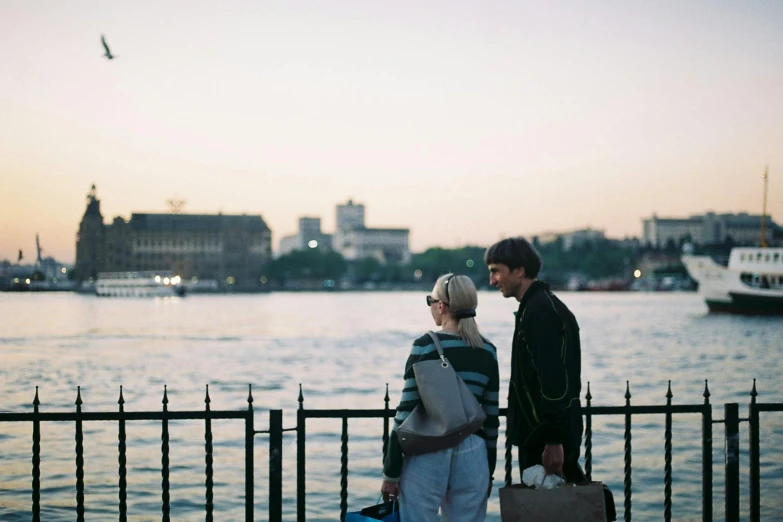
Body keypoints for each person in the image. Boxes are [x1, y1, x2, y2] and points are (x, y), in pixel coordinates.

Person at [381, 274, 500, 522]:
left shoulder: (425, 346)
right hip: (473, 451)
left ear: (441, 306)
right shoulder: (488, 351)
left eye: (430, 300)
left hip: (428, 450)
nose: (430, 307)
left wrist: (391, 471)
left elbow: (404, 414)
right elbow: (490, 418)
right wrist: (488, 472)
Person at [484, 237, 586, 483]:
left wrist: (553, 440)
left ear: (519, 271)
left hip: (544, 439)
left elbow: (553, 379)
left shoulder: (540, 312)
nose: (492, 281)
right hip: (543, 435)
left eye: (496, 271)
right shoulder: (539, 307)